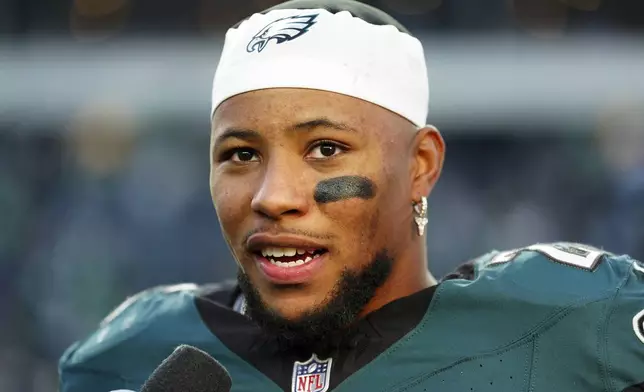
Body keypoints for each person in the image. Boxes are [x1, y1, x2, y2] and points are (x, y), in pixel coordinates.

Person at [59, 1, 644, 391]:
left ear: (420, 166)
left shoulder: (572, 325)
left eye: (326, 149)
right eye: (241, 154)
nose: (274, 196)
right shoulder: (131, 353)